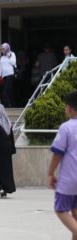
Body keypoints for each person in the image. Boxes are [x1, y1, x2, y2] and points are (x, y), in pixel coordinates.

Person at [48, 91, 77, 239]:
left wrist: (50, 173)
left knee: (60, 210)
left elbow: (58, 153)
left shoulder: (66, 127)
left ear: (70, 108)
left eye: (66, 107)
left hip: (69, 180)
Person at [0, 43, 17, 108]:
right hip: (4, 76)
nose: (2, 50)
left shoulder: (12, 54)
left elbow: (14, 63)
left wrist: (8, 57)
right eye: (1, 49)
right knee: (9, 91)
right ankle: (13, 104)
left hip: (10, 74)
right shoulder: (2, 57)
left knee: (5, 91)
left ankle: (6, 105)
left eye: (3, 49)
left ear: (6, 49)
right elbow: (0, 67)